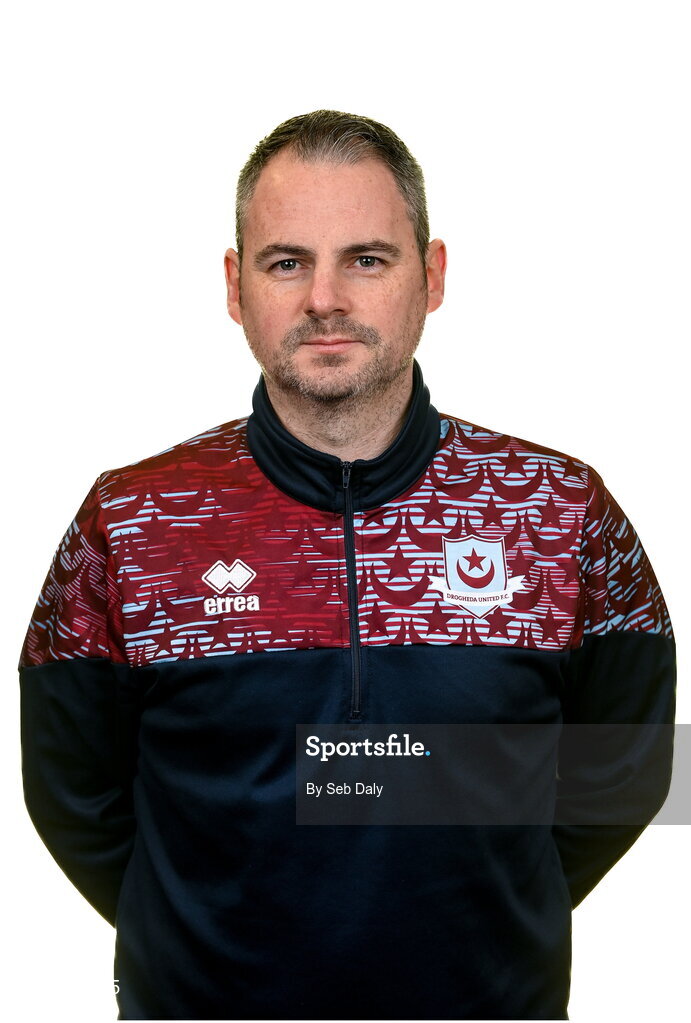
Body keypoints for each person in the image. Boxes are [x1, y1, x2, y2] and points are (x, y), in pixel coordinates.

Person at [18, 110, 676, 1020]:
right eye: (286, 261)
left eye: (366, 258)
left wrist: (494, 909)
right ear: (234, 285)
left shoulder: (559, 511)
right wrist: (198, 928)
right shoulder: (130, 520)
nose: (325, 297)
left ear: (431, 276)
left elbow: (623, 767)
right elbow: (72, 793)